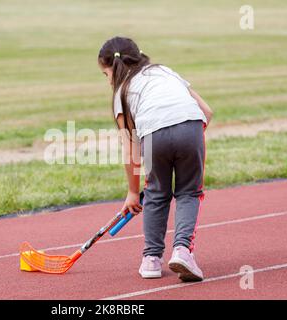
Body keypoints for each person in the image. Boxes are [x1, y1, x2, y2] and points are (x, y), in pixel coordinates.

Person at [98, 36, 213, 281]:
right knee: (188, 192)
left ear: (113, 69)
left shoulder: (121, 93)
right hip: (191, 127)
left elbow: (131, 148)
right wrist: (188, 138)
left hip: (153, 135)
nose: (107, 80)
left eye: (105, 74)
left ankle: (151, 259)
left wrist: (133, 191)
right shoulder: (164, 71)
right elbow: (207, 112)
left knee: (156, 194)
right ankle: (182, 251)